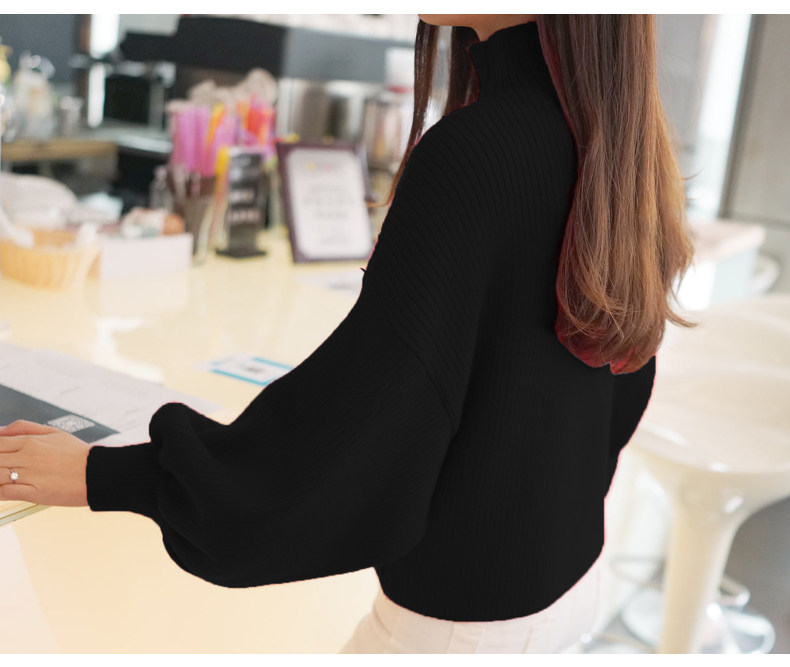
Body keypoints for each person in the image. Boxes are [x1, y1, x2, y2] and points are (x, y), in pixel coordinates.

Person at [0, 14, 695, 653]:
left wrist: (105, 474)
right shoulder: (621, 144)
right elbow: (610, 389)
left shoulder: (473, 155)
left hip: (454, 630)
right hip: (567, 586)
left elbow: (349, 446)